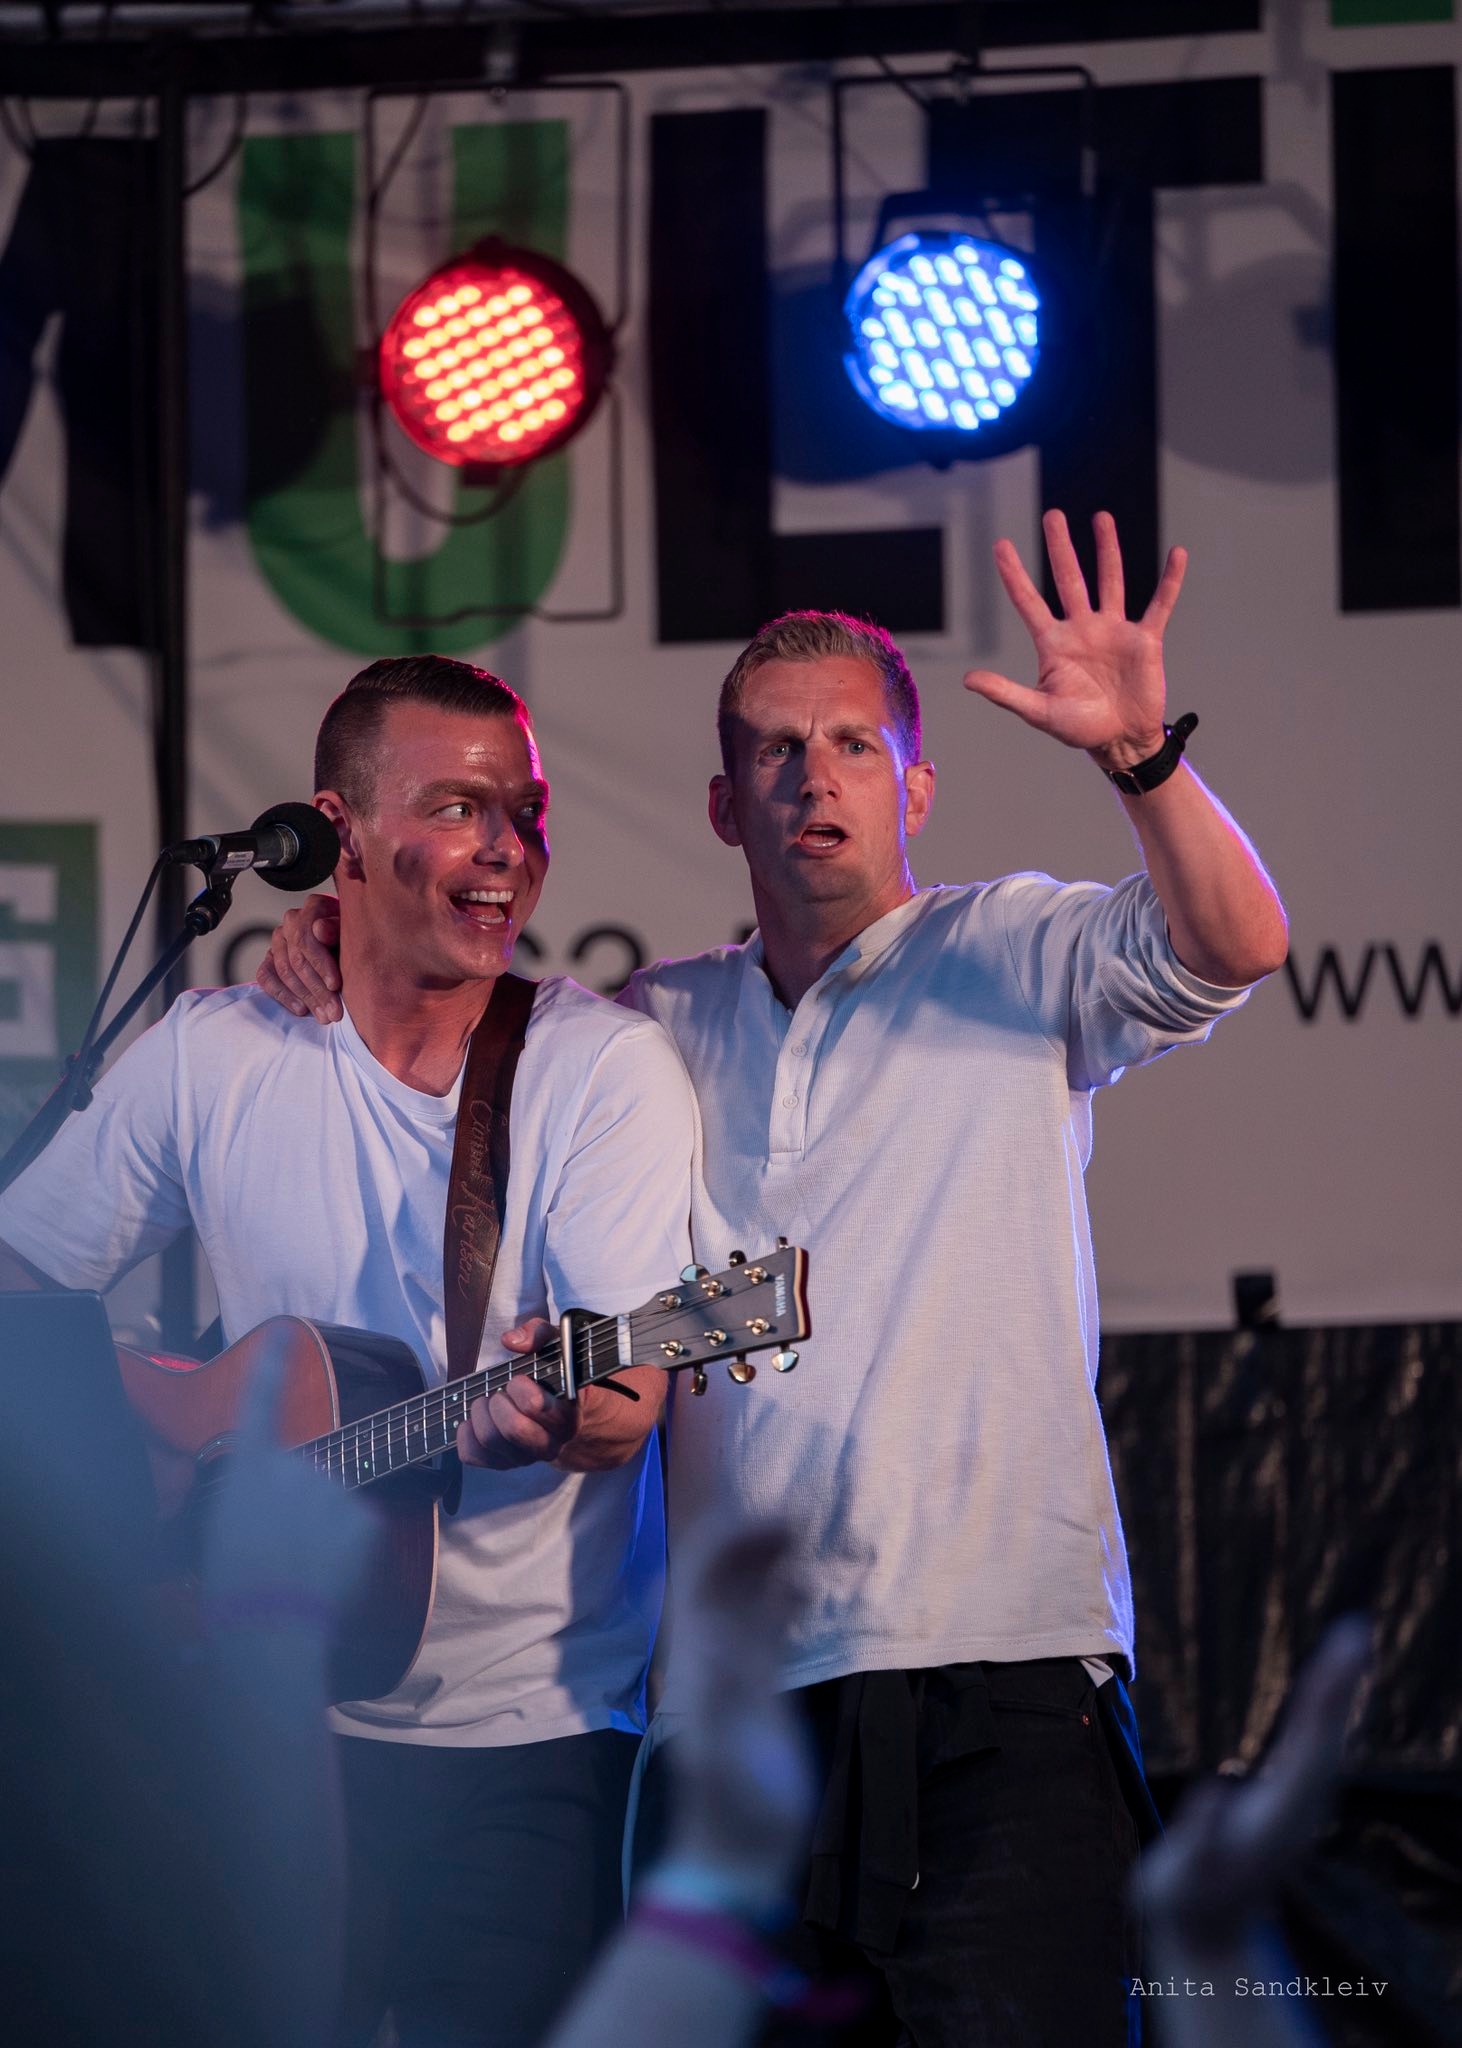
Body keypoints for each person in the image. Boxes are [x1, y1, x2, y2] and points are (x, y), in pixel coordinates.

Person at [260, 512, 1291, 2044]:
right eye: (775, 751)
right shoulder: (649, 1023)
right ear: (720, 802)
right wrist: (328, 933)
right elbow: (440, 1016)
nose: (815, 779)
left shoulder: (1012, 948)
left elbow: (1236, 944)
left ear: (913, 790)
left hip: (996, 1670)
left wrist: (1138, 756)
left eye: (853, 746)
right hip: (730, 1706)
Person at [0, 655, 698, 2048]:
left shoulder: (594, 1069)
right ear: (340, 835)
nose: (505, 847)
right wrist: (140, 1470)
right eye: (456, 807)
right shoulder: (215, 1053)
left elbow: (629, 1391)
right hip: (252, 1721)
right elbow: (24, 1280)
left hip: (525, 1734)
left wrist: (558, 1416)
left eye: (526, 813)